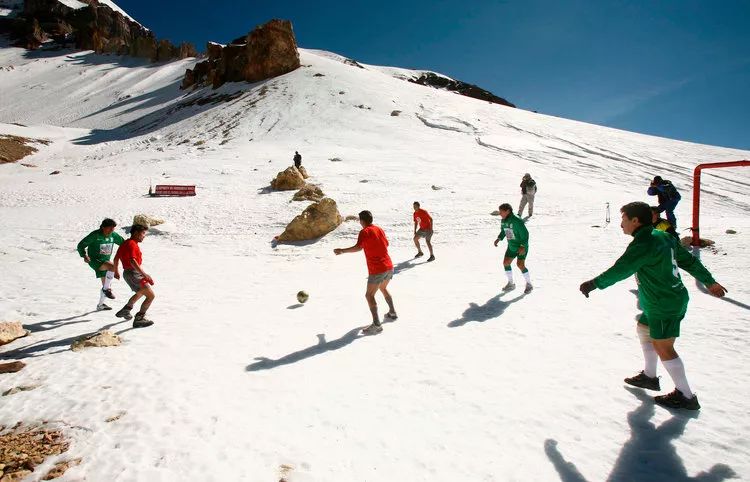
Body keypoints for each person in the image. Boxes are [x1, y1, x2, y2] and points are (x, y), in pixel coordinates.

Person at [579, 202, 727, 410]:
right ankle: (649, 376)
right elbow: (689, 262)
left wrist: (594, 283)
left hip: (663, 303)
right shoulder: (663, 236)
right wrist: (709, 281)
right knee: (644, 328)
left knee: (663, 346)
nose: (621, 224)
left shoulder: (644, 244)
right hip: (664, 299)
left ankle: (686, 396)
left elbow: (621, 269)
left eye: (623, 219)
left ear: (635, 221)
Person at [334, 211, 397, 335]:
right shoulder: (379, 229)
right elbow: (386, 244)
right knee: (383, 288)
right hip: (389, 266)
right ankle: (392, 312)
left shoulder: (365, 231)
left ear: (361, 221)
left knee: (369, 295)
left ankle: (377, 324)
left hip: (377, 269)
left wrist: (342, 251)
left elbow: (358, 247)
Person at [77, 218, 125, 311]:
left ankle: (100, 305)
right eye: (110, 228)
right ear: (103, 227)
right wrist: (84, 255)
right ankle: (107, 290)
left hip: (105, 261)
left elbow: (123, 244)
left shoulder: (113, 235)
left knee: (106, 283)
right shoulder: (95, 235)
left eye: (113, 229)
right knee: (112, 266)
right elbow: (81, 245)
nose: (111, 231)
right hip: (94, 260)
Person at [114, 224, 156, 328]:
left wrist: (116, 271)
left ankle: (127, 309)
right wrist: (144, 274)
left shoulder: (124, 243)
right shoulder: (132, 244)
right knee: (151, 296)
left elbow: (116, 258)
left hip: (127, 273)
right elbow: (132, 261)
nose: (144, 236)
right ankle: (139, 319)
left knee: (141, 291)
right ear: (136, 233)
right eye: (143, 233)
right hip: (133, 273)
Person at [494, 203, 532, 294]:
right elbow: (504, 230)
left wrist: (523, 247)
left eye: (501, 212)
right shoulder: (503, 220)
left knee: (520, 265)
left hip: (521, 246)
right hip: (511, 246)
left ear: (508, 211)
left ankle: (529, 284)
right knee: (506, 263)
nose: (500, 214)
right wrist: (499, 238)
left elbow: (525, 234)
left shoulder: (517, 220)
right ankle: (511, 284)